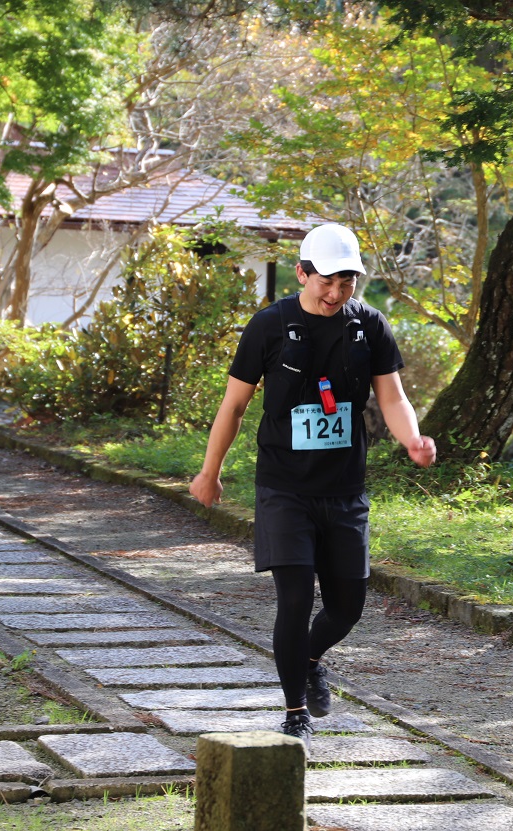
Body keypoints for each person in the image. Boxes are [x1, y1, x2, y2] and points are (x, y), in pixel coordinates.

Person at [190, 223, 436, 744]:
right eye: (326, 281)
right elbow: (233, 406)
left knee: (348, 606)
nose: (335, 293)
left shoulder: (368, 326)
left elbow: (391, 397)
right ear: (302, 273)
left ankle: (310, 658)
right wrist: (209, 472)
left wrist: (412, 440)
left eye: (346, 283)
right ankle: (295, 710)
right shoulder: (270, 326)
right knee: (296, 596)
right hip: (284, 486)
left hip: (345, 486)